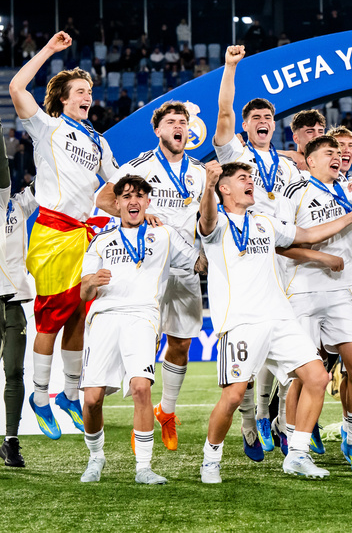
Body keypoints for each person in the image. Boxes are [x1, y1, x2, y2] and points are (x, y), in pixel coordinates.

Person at [198, 160, 352, 483]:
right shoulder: (217, 225)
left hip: (280, 317)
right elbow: (207, 219)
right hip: (242, 321)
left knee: (317, 378)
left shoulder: (265, 224)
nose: (250, 182)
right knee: (232, 396)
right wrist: (208, 186)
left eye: (251, 178)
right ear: (224, 188)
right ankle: (210, 459)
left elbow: (309, 234)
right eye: (243, 178)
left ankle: (297, 453)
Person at [9, 31, 119, 441]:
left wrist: (151, 211)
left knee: (78, 314)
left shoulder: (99, 141)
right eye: (80, 91)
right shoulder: (46, 127)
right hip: (52, 232)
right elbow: (16, 87)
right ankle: (40, 397)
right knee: (52, 319)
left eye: (89, 91)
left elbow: (118, 184)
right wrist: (50, 51)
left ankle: (70, 394)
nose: (88, 96)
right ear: (63, 99)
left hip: (82, 234)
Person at [94, 102, 207, 451]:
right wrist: (139, 214)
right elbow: (102, 199)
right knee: (141, 341)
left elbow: (206, 219)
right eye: (171, 121)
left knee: (182, 343)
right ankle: (133, 416)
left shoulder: (200, 172)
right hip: (144, 265)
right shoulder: (139, 166)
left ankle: (167, 411)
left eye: (183, 122)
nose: (179, 126)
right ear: (157, 130)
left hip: (184, 267)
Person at [78, 175, 201, 485]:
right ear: (116, 203)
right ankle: (96, 458)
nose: (133, 200)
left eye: (140, 195)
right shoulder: (101, 240)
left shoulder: (165, 235)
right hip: (104, 318)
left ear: (148, 202)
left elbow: (198, 263)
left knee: (141, 388)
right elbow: (83, 292)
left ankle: (143, 467)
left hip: (142, 317)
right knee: (92, 399)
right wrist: (91, 282)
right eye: (127, 196)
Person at [212, 45, 302, 459]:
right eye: (256, 119)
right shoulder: (237, 156)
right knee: (249, 353)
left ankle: (282, 422)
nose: (263, 122)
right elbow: (225, 112)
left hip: (281, 256)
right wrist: (231, 67)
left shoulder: (288, 168)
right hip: (243, 255)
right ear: (246, 127)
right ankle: (249, 422)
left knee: (288, 349)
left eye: (268, 118)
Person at [281, 135, 352, 474]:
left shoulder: (350, 190)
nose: (338, 155)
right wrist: (322, 257)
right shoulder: (294, 192)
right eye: (329, 152)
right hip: (302, 290)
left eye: (339, 152)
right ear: (310, 161)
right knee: (302, 376)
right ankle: (294, 447)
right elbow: (280, 244)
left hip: (342, 292)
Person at [0, 183, 33, 468]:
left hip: (13, 302)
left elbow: (50, 178)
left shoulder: (19, 204)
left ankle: (11, 441)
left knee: (14, 371)